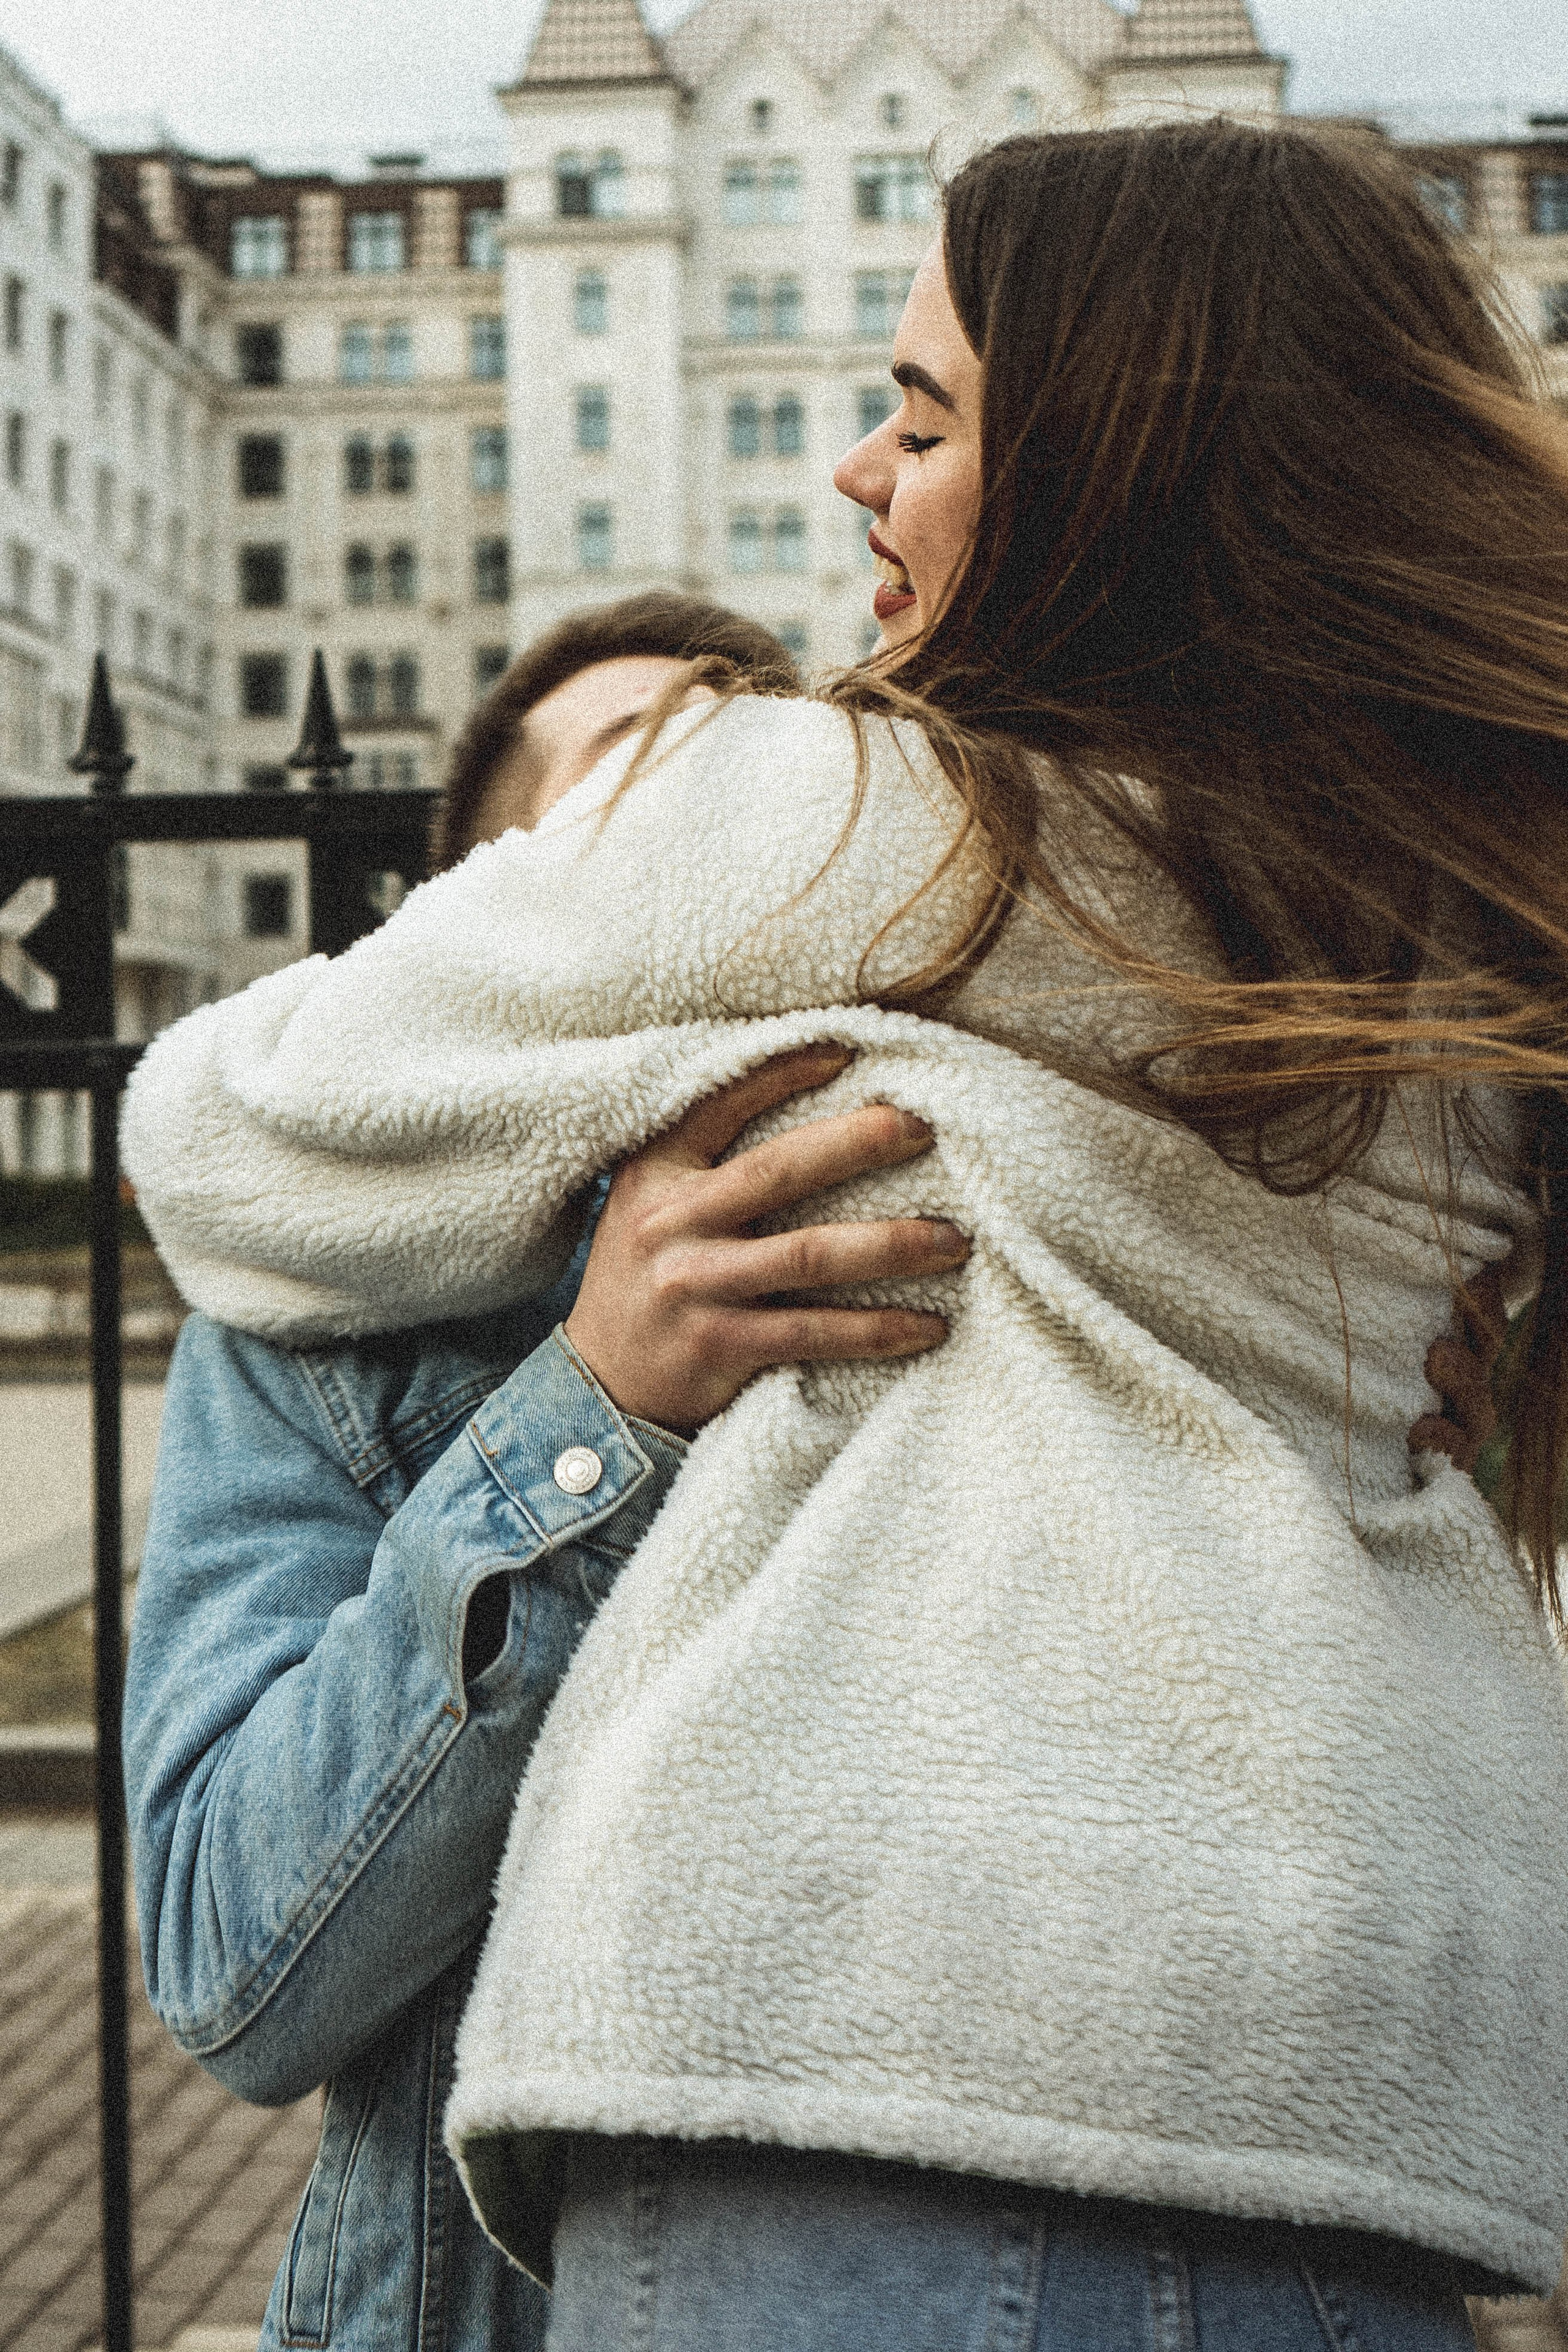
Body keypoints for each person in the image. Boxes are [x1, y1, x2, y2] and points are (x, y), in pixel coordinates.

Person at [121, 122, 1556, 2352]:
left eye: (930, 413)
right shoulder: (1453, 939)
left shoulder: (849, 815)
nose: (858, 479)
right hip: (1345, 2121)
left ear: (1118, 461)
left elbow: (217, 1133)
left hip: (854, 2093)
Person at [122, 592, 967, 2352]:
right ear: (486, 925)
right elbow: (233, 1964)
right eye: (634, 790)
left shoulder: (948, 1206)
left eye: (751, 797)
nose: (700, 838)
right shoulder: (312, 1307)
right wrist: (593, 1409)